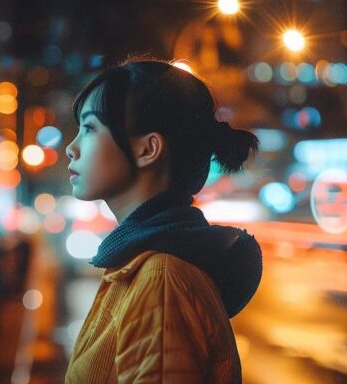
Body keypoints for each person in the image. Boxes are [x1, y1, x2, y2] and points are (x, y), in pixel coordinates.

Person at [63, 57, 262, 383]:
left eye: (90, 128)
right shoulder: (139, 264)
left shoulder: (162, 282)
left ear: (148, 149)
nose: (72, 148)